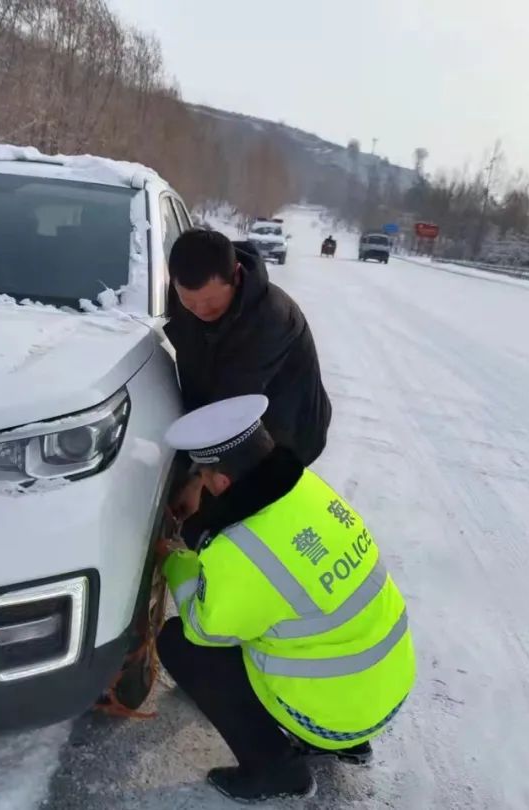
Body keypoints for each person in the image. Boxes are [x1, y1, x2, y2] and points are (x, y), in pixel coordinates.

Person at [156, 395, 415, 802]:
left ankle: (273, 769)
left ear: (221, 482)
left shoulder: (241, 551)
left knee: (179, 641)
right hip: (386, 689)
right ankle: (344, 743)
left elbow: (206, 629)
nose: (203, 486)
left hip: (332, 710)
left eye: (203, 477)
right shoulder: (309, 490)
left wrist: (176, 561)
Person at [164, 229, 331, 547]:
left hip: (286, 434)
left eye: (211, 304)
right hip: (238, 423)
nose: (200, 311)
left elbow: (227, 413)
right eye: (189, 302)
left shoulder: (269, 319)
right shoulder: (185, 298)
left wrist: (197, 479)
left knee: (247, 525)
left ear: (237, 277)